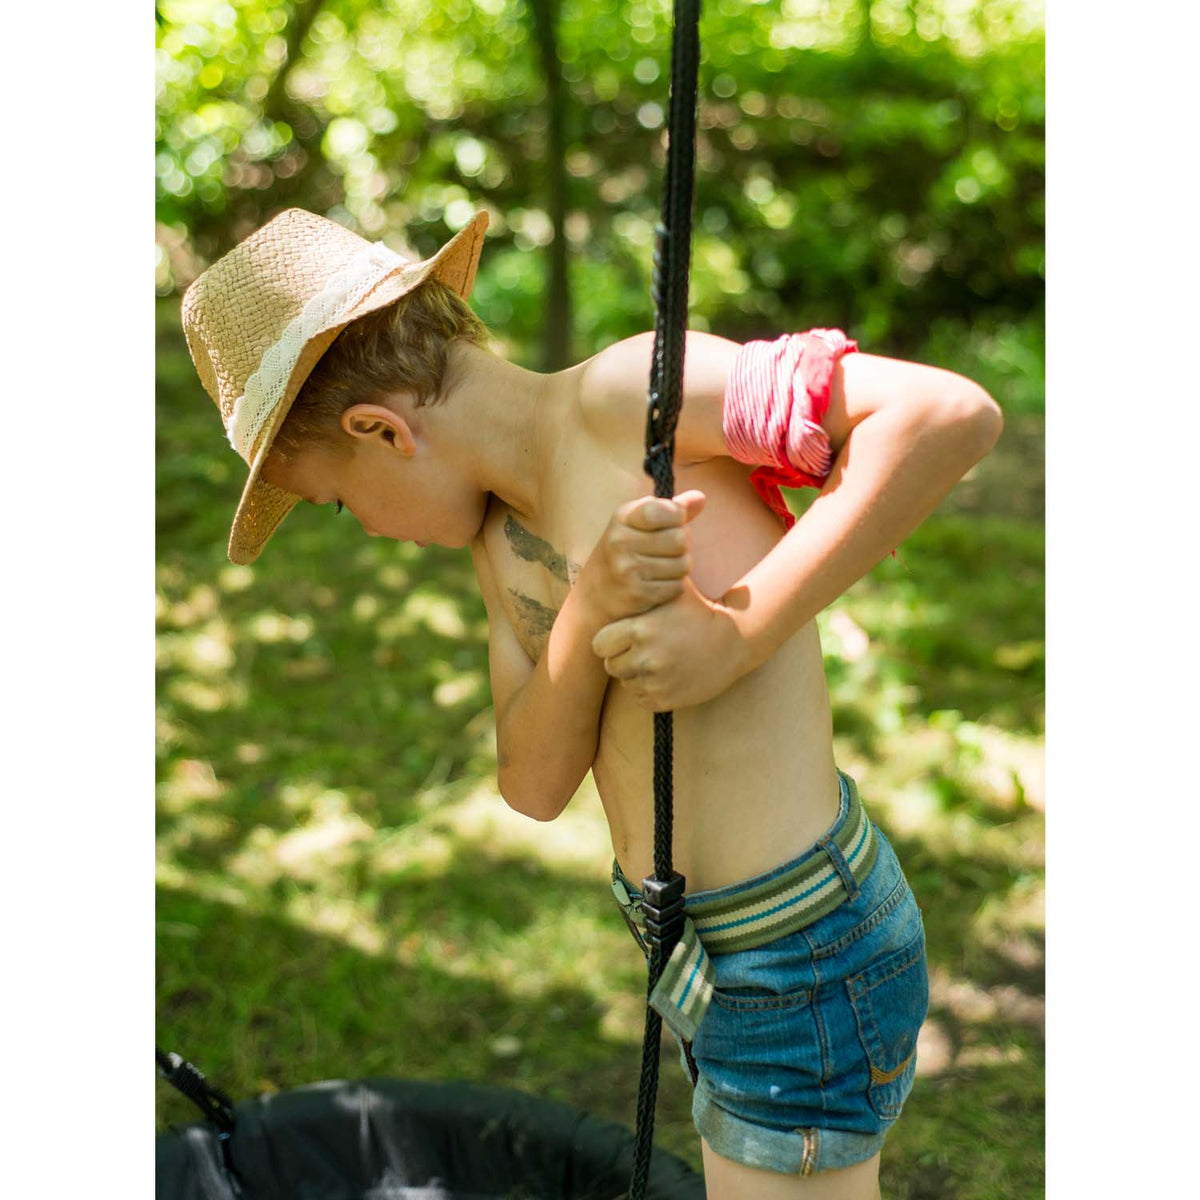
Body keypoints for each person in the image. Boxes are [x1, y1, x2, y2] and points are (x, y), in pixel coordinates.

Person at [182, 206, 1003, 1200]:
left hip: (802, 953)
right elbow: (531, 783)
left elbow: (945, 416)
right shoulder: (498, 540)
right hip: (705, 960)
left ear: (382, 430)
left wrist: (738, 631)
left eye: (335, 501)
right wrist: (589, 612)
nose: (363, 528)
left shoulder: (628, 398)